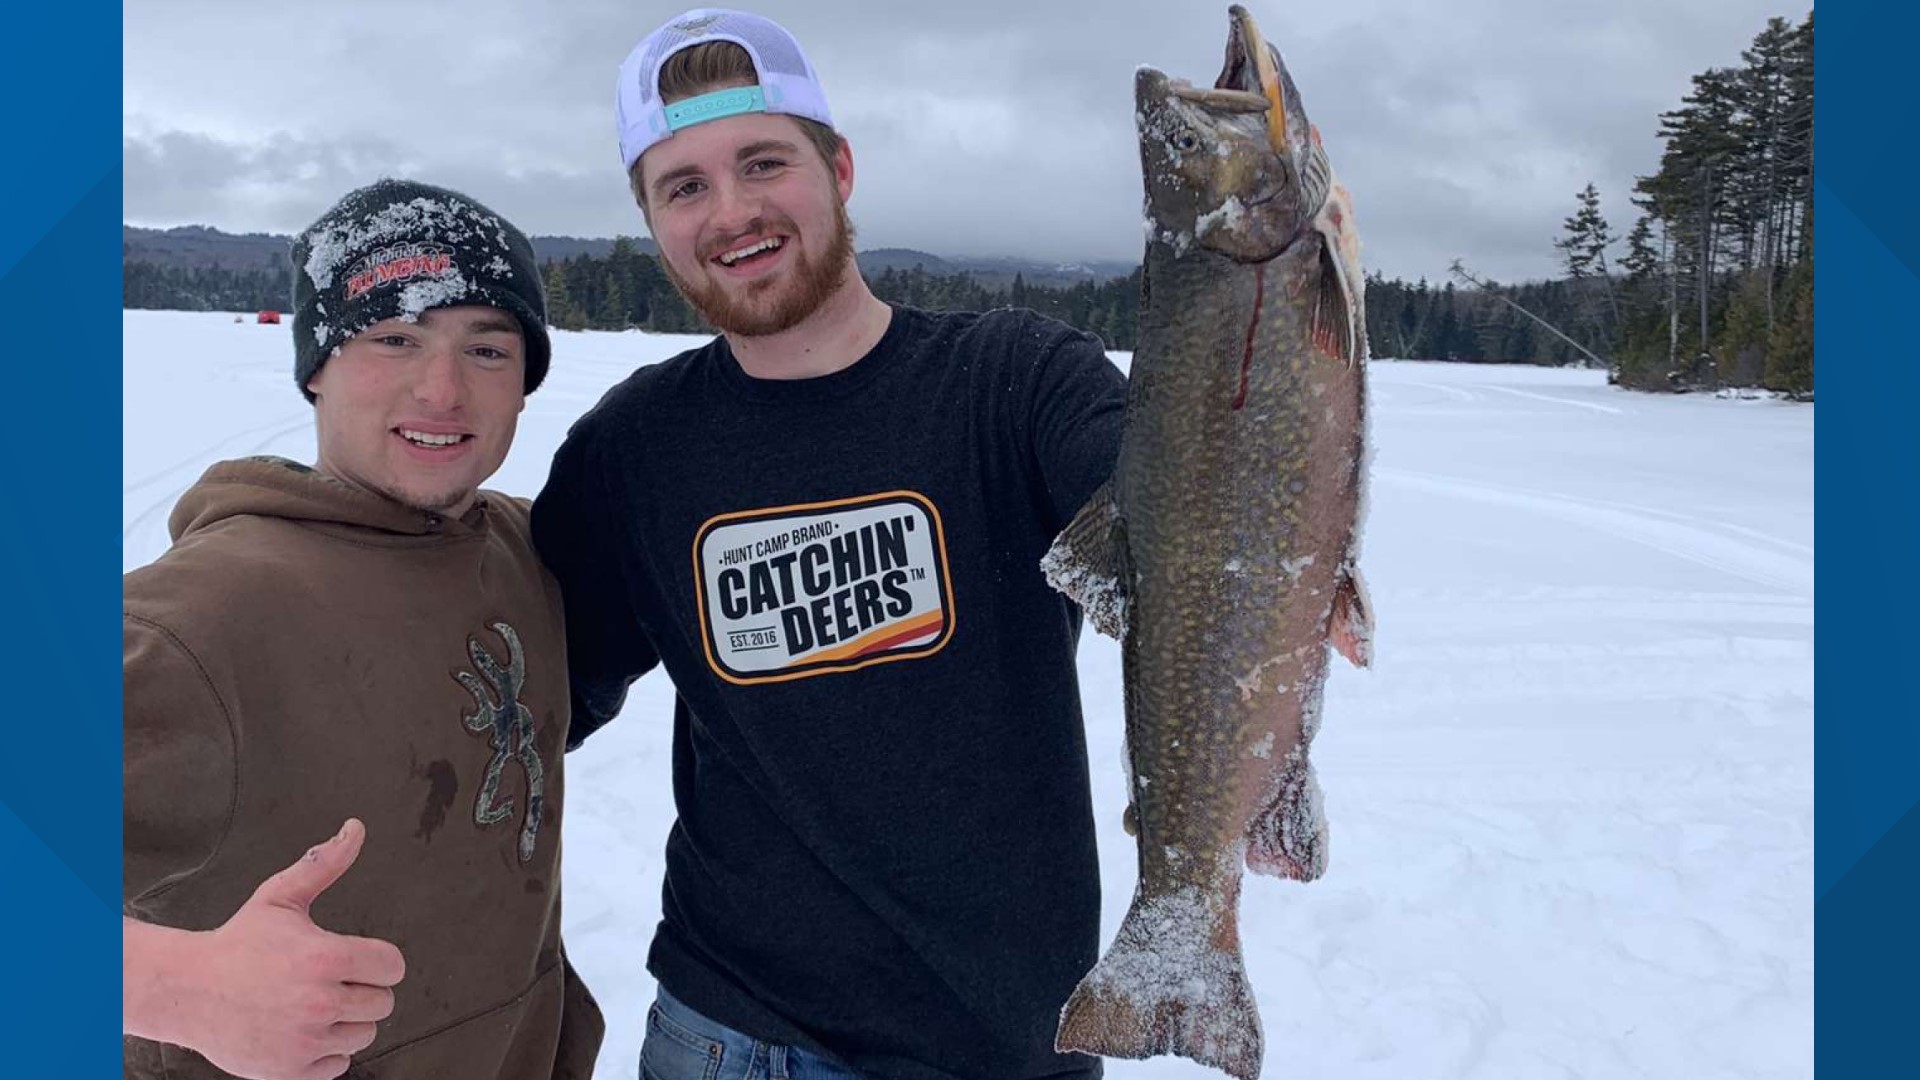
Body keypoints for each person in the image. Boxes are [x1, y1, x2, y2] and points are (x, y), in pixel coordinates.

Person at [531, 10, 1128, 1080]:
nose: (733, 213)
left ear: (839, 167)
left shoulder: (1016, 381)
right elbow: (520, 698)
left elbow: (1175, 513)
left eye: (764, 162)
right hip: (730, 1037)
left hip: (1007, 1046)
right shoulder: (633, 448)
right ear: (654, 222)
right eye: (685, 186)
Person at [123, 179, 603, 1080]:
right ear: (316, 367)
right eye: (394, 339)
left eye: (488, 348)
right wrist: (171, 985)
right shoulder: (197, 621)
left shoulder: (522, 550)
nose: (442, 389)